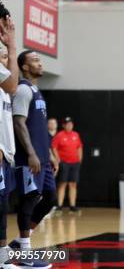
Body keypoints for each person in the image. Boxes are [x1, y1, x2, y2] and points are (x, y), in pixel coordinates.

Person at [10, 50, 57, 268]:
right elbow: (19, 123)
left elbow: (38, 129)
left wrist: (49, 154)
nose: (40, 63)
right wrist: (31, 154)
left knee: (49, 198)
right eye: (35, 60)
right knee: (28, 200)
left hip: (43, 159)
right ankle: (25, 253)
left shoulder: (37, 90)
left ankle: (20, 242)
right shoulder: (22, 89)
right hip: (29, 159)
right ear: (25, 67)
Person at [0, 4, 19, 267]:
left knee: (2, 211)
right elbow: (14, 85)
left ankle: (3, 260)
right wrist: (12, 46)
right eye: (5, 22)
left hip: (5, 152)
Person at [52, 117, 83, 212]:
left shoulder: (76, 135)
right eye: (67, 124)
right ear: (63, 125)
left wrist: (80, 159)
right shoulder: (59, 135)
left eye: (71, 124)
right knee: (62, 184)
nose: (69, 125)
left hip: (75, 163)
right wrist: (58, 159)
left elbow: (79, 147)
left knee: (73, 184)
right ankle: (59, 205)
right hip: (64, 163)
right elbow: (54, 147)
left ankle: (72, 205)